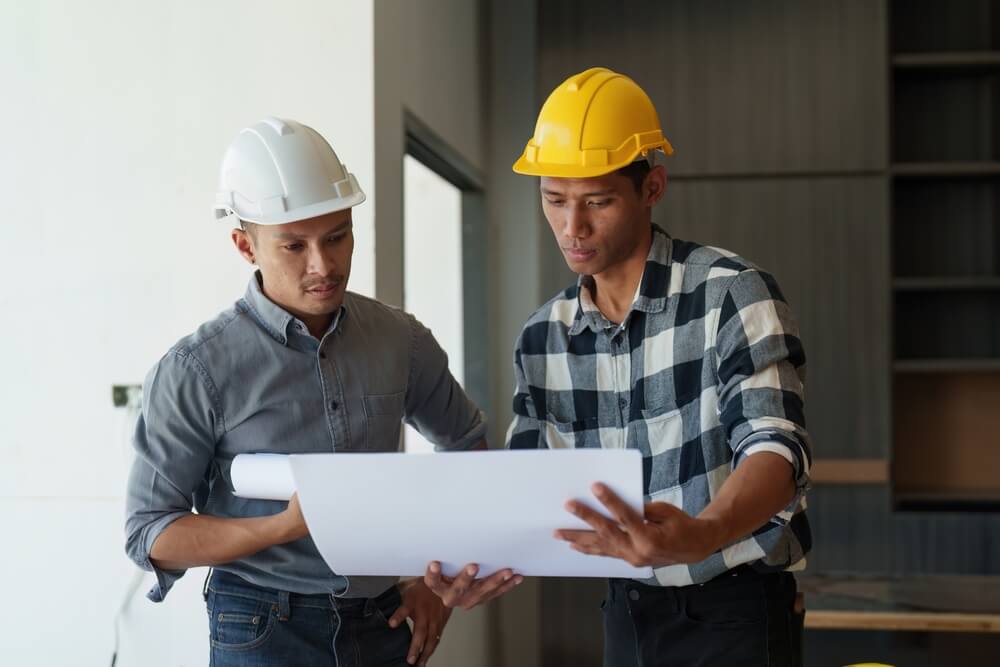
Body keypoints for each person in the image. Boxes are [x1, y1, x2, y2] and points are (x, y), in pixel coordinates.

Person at [124, 117, 518, 667]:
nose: (324, 265)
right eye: (294, 246)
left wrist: (441, 579)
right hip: (262, 624)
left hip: (385, 621)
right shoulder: (196, 368)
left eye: (337, 236)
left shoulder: (400, 340)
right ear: (245, 245)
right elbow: (153, 532)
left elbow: (468, 448)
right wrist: (283, 526)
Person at [504, 67, 812, 666]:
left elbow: (776, 448)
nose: (573, 228)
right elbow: (526, 489)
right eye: (554, 200)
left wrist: (702, 532)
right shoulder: (543, 337)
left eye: (597, 201)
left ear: (652, 188)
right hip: (627, 612)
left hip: (739, 612)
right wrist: (475, 564)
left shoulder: (731, 294)